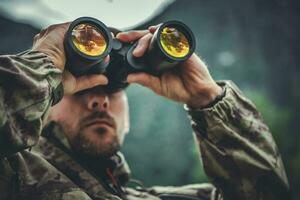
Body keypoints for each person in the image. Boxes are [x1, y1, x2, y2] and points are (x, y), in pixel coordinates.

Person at [0, 21, 290, 200]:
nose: (99, 101)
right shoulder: (12, 176)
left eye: (114, 90)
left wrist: (208, 97)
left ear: (128, 118)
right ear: (46, 102)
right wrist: (44, 64)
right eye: (82, 90)